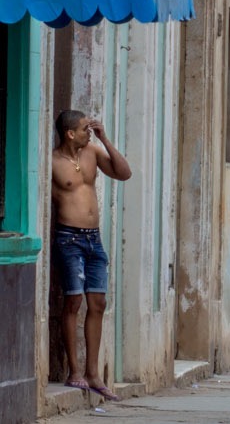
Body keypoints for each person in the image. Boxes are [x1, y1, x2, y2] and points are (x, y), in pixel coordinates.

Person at [51, 110, 131, 400]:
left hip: (93, 241)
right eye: (86, 128)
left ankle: (93, 373)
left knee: (98, 303)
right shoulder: (53, 161)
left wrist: (105, 139)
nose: (91, 131)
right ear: (70, 133)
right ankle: (74, 371)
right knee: (73, 301)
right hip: (68, 238)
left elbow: (124, 173)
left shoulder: (93, 152)